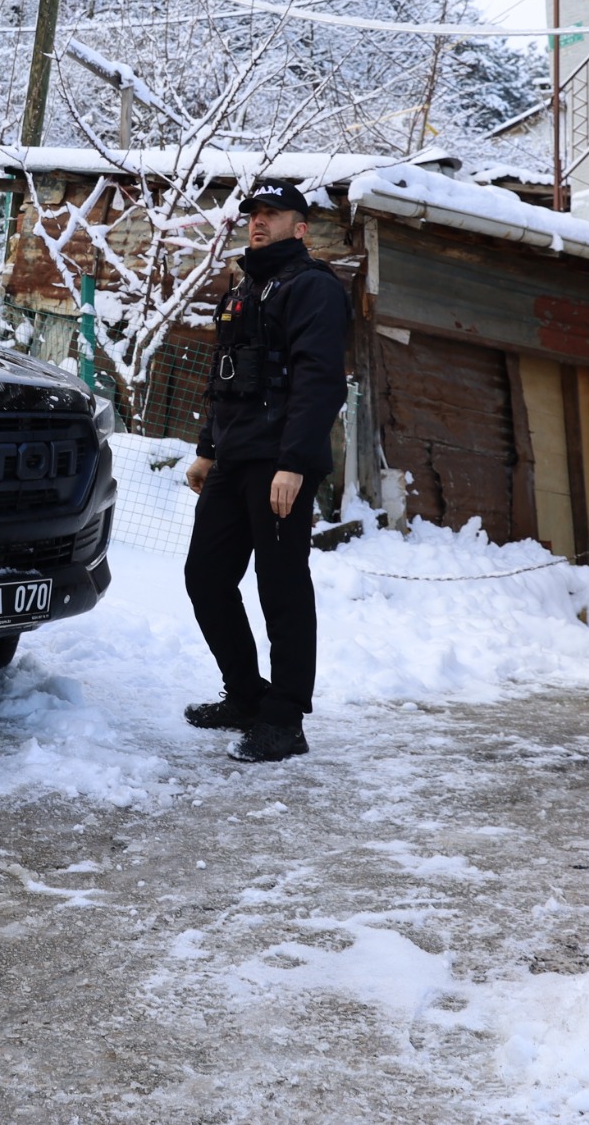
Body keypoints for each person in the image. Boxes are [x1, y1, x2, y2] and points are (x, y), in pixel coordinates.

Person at [182, 181, 351, 762]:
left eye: (272, 214)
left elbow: (319, 383)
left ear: (299, 227)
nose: (258, 221)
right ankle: (246, 697)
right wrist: (208, 448)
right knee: (206, 578)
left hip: (279, 464)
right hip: (233, 460)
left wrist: (294, 463)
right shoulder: (245, 287)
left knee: (282, 589)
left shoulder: (313, 288)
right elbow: (225, 375)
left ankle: (285, 720)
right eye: (253, 213)